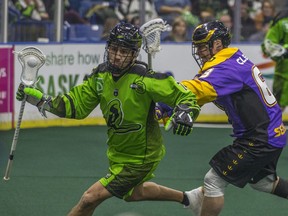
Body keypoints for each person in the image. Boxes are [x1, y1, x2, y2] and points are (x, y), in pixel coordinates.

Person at [16, 22, 201, 215]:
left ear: (134, 53)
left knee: (89, 199)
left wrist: (186, 111)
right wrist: (39, 100)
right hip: (118, 153)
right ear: (108, 48)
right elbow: (75, 106)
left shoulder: (146, 79)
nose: (118, 55)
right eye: (114, 49)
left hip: (141, 158)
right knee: (134, 194)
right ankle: (190, 198)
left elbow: (185, 96)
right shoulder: (100, 76)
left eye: (125, 51)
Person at [159, 20, 288, 215]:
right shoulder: (230, 59)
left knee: (213, 181)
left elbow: (197, 89)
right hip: (272, 133)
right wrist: (169, 106)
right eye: (198, 46)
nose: (200, 51)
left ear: (218, 44)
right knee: (263, 183)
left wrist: (161, 99)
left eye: (203, 46)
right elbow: (201, 90)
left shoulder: (224, 68)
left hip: (260, 138)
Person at [261, 9, 288, 112]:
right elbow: (268, 45)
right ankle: (273, 127)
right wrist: (284, 50)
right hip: (284, 74)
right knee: (277, 107)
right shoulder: (282, 22)